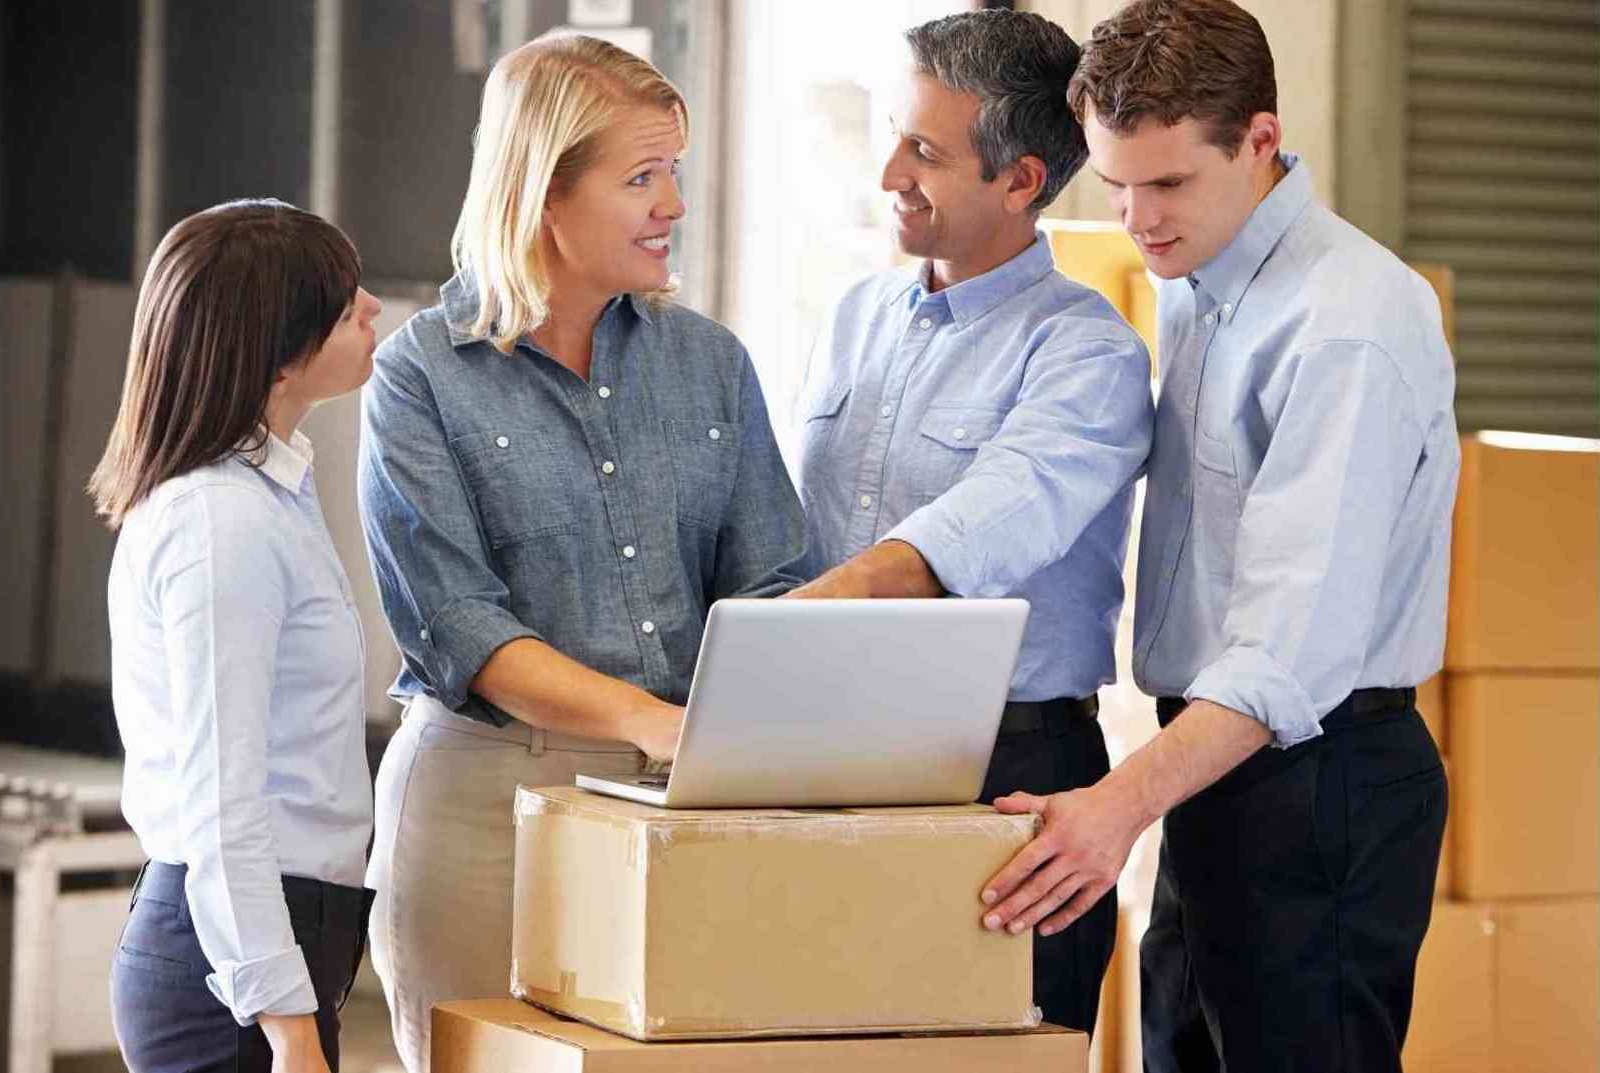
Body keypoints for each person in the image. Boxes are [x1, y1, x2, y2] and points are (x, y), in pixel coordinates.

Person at [978, 3, 1458, 1069]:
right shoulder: (1205, 276)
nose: (1138, 218)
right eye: (1114, 183)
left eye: (1167, 183)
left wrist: (1116, 806)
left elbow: (1289, 648)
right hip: (1218, 769)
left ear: (1257, 139)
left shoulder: (1345, 322)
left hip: (1318, 777)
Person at [358, 34, 808, 1072]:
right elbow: (459, 627)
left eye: (676, 174)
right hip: (482, 812)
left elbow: (771, 578)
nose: (674, 206)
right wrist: (654, 722)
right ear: (543, 194)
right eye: (641, 177)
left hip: (682, 798)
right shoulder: (419, 376)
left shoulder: (710, 363)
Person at [788, 9, 1153, 1034]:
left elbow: (973, 534)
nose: (889, 174)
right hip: (833, 756)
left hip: (1006, 782)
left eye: (925, 152)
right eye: (895, 137)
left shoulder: (1087, 357)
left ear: (1020, 180)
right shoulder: (854, 318)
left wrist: (768, 640)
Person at [93, 199, 381, 1073]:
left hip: (273, 954)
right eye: (344, 303)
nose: (373, 310)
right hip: (236, 978)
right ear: (279, 349)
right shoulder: (222, 522)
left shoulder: (268, 498)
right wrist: (288, 1026)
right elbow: (224, 801)